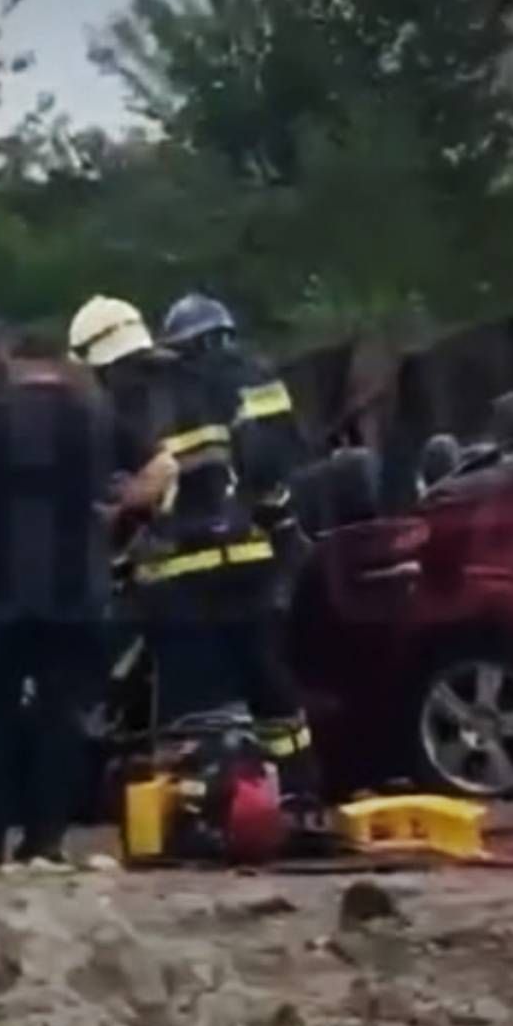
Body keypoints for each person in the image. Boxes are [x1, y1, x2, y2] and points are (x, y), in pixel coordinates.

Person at [0, 330, 175, 867]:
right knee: (60, 714)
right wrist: (121, 505)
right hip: (75, 589)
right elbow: (164, 468)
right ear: (62, 365)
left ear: (16, 364)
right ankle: (45, 842)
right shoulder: (94, 415)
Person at [155, 294, 324, 821]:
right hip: (264, 549)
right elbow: (284, 459)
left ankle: (226, 801)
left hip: (213, 557)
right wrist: (283, 524)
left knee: (212, 690)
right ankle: (299, 792)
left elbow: (249, 460)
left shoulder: (198, 387)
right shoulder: (261, 374)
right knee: (270, 679)